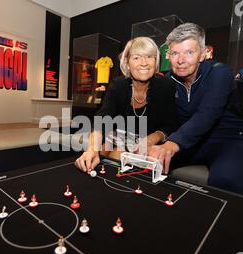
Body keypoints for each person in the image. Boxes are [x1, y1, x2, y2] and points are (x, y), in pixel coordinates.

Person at [148, 23, 243, 195]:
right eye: (175, 53)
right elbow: (166, 120)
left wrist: (171, 144)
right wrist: (153, 139)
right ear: (168, 55)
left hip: (232, 142)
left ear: (203, 54)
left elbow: (208, 113)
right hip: (194, 144)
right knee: (149, 164)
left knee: (225, 179)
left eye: (189, 52)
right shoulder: (167, 81)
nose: (180, 60)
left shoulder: (220, 72)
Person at [75, 37, 178, 172]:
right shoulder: (118, 84)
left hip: (148, 140)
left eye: (149, 57)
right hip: (118, 135)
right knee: (95, 157)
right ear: (127, 63)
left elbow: (171, 124)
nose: (144, 63)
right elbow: (103, 118)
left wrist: (151, 138)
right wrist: (91, 149)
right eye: (136, 58)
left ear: (156, 61)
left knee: (117, 156)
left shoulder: (166, 85)